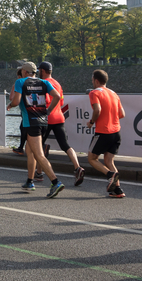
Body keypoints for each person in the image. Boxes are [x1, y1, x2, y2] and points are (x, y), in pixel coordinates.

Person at [8, 61, 64, 198]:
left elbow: (16, 101)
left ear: (25, 72)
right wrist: (48, 111)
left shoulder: (21, 82)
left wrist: (10, 105)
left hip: (30, 122)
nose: (20, 72)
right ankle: (30, 181)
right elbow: (57, 96)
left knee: (38, 154)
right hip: (43, 121)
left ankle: (55, 181)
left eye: (22, 70)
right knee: (30, 151)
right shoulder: (44, 82)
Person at [37, 62, 84, 185]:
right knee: (65, 145)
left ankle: (39, 172)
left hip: (47, 118)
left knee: (38, 146)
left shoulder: (44, 83)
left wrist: (45, 110)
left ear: (42, 70)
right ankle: (77, 167)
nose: (38, 73)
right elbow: (61, 102)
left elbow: (46, 100)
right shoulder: (57, 83)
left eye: (39, 70)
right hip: (59, 117)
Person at [85, 69, 126, 198]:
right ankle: (117, 189)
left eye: (92, 80)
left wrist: (92, 121)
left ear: (96, 81)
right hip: (116, 132)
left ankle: (110, 175)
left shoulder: (94, 93)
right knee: (109, 161)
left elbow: (97, 109)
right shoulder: (114, 93)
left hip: (103, 132)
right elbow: (122, 114)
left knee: (92, 158)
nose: (92, 82)